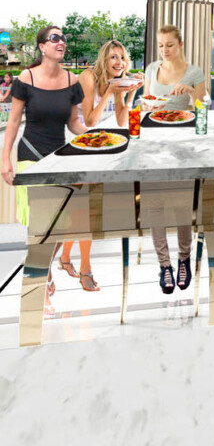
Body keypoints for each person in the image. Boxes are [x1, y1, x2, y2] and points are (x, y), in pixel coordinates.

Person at [0, 25, 86, 312]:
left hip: (59, 158)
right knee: (41, 227)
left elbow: (74, 123)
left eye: (63, 37)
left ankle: (45, 271)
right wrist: (5, 159)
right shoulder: (26, 78)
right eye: (54, 38)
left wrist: (93, 133)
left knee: (61, 227)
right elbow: (13, 122)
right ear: (42, 47)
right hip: (31, 157)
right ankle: (39, 287)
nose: (61, 42)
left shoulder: (73, 80)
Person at [65, 39, 141, 292]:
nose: (119, 63)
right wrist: (109, 91)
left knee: (81, 207)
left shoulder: (119, 80)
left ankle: (65, 259)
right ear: (104, 60)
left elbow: (121, 120)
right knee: (86, 208)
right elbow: (88, 120)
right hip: (76, 144)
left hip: (97, 144)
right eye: (113, 58)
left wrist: (129, 92)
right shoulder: (88, 77)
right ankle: (85, 269)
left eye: (122, 58)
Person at [143, 25, 208, 293]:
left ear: (180, 44)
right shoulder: (151, 69)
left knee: (182, 204)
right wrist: (149, 104)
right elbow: (147, 102)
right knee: (155, 204)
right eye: (160, 45)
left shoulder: (194, 72)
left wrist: (191, 93)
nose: (164, 50)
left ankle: (183, 259)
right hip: (155, 144)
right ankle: (164, 265)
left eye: (169, 45)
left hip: (183, 147)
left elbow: (203, 110)